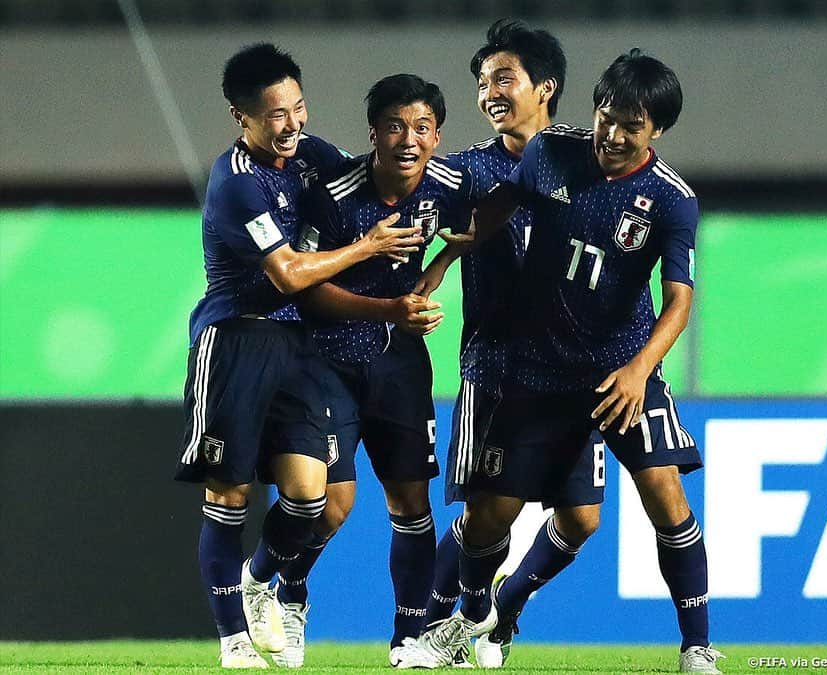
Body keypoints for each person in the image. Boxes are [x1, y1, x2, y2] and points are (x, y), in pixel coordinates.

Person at [402, 49, 725, 674]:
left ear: (656, 130)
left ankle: (697, 648)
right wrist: (444, 261)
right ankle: (469, 621)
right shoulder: (551, 152)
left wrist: (639, 372)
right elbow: (501, 205)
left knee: (665, 496)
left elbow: (679, 304)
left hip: (619, 374)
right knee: (489, 513)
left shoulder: (671, 200)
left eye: (630, 124)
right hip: (539, 374)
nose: (612, 133)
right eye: (606, 114)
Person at [174, 44, 422, 669]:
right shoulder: (235, 183)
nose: (293, 125)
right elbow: (286, 274)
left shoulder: (310, 157)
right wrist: (366, 248)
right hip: (233, 340)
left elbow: (375, 180)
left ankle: (265, 580)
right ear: (242, 118)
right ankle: (234, 640)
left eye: (299, 108)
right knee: (228, 493)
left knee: (314, 497)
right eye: (275, 115)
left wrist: (452, 223)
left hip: (296, 344)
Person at [407, 19, 604, 669]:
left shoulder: (590, 163)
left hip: (576, 372)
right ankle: (440, 629)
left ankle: (503, 608)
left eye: (503, 78)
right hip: (494, 369)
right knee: (482, 517)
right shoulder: (465, 170)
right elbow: (405, 213)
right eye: (482, 82)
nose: (489, 92)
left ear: (545, 87)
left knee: (581, 521)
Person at [260, 73, 473, 669]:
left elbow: (492, 213)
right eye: (396, 126)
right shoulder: (334, 194)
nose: (410, 139)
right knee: (332, 504)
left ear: (437, 135)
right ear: (374, 133)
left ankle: (411, 636)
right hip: (326, 356)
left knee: (412, 504)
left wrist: (440, 265)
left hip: (399, 362)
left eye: (423, 127)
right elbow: (307, 290)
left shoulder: (450, 184)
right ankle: (290, 592)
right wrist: (391, 308)